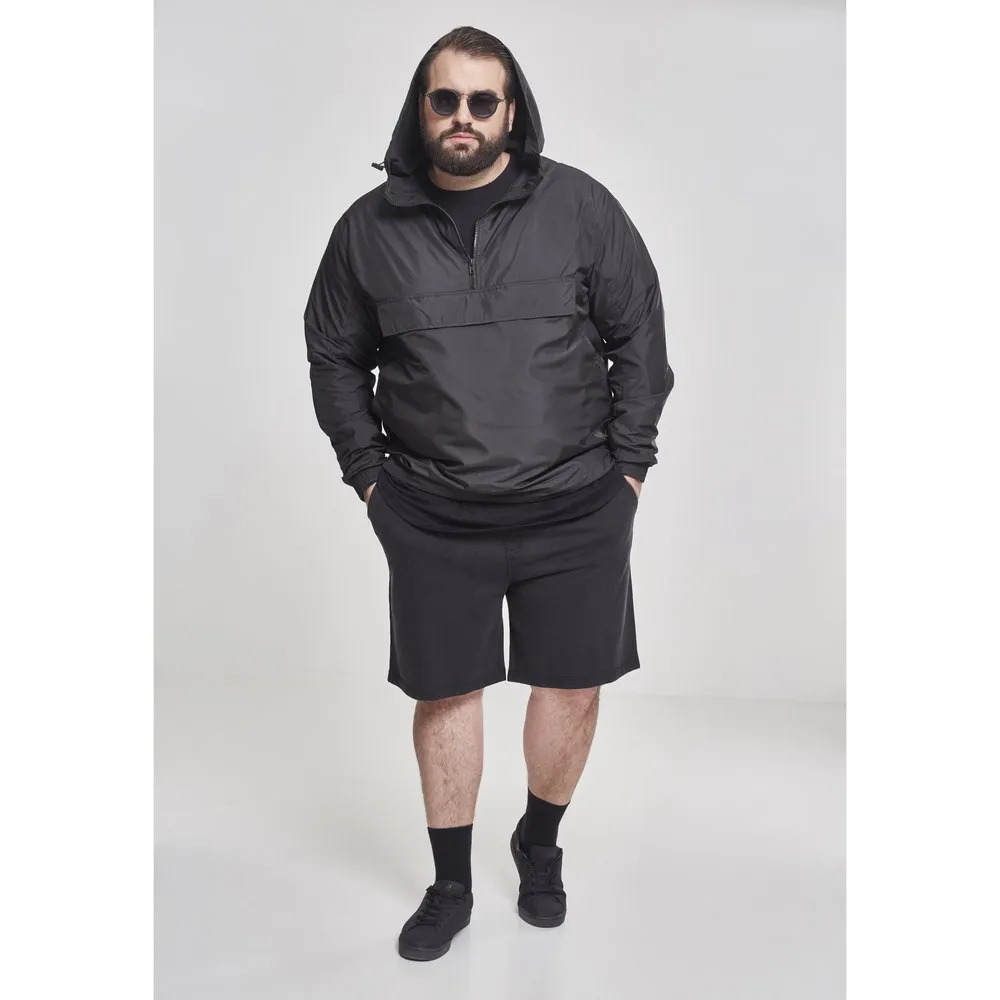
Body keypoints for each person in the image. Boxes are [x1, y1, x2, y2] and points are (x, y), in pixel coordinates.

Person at [303, 25, 673, 961]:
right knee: (445, 693)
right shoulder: (366, 231)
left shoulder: (581, 208)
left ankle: (538, 846)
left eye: (481, 100)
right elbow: (334, 357)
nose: (462, 117)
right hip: (431, 510)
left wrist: (628, 471)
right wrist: (370, 479)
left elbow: (640, 334)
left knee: (572, 686)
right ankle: (452, 884)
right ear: (420, 108)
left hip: (578, 503)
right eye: (445, 99)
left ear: (512, 111)